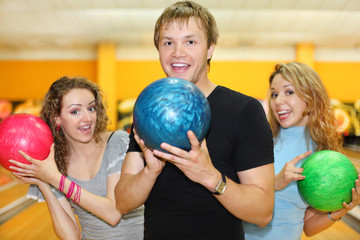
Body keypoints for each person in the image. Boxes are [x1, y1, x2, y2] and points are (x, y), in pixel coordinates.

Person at [114, 1, 275, 240]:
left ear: (210, 48)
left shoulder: (245, 110)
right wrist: (150, 172)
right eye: (168, 42)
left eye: (190, 41)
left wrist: (209, 176)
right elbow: (122, 202)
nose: (178, 53)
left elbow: (262, 212)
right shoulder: (150, 109)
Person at [9, 76, 144, 240]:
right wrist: (43, 182)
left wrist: (55, 179)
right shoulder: (54, 165)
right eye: (75, 111)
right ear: (56, 118)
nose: (87, 118)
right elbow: (71, 235)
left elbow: (113, 213)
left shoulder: (117, 142)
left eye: (91, 108)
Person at [243, 62, 360, 240]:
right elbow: (232, 194)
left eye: (289, 92)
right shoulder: (257, 139)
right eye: (274, 94)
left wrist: (341, 209)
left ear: (311, 97)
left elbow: (309, 227)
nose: (278, 101)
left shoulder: (323, 154)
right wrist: (274, 183)